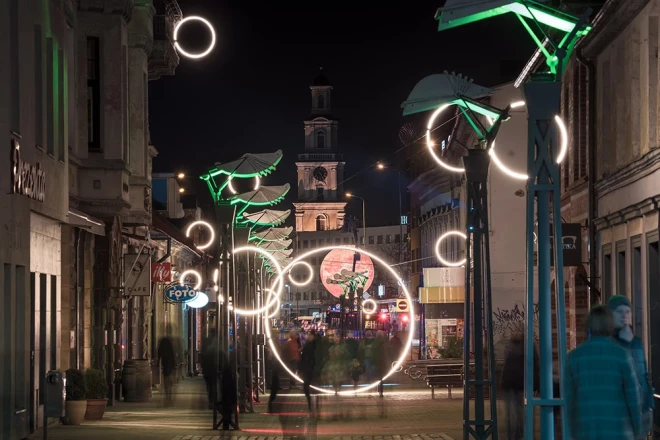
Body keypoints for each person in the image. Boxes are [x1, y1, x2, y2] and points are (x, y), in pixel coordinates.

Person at [564, 305, 642, 440]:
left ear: (588, 325)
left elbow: (570, 399)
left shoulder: (574, 357)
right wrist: (638, 429)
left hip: (586, 430)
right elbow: (633, 396)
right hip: (619, 431)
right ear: (610, 325)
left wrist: (572, 430)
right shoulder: (622, 355)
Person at [608, 295, 655, 439]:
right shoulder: (607, 343)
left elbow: (644, 373)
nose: (624, 316)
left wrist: (649, 403)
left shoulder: (637, 343)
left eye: (627, 312)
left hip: (642, 410)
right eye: (619, 312)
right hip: (619, 413)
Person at [500, 332, 539, 440]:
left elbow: (507, 369)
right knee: (523, 413)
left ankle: (515, 435)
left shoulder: (512, 349)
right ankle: (523, 434)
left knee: (512, 415)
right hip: (522, 386)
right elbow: (535, 367)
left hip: (511, 385)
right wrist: (536, 385)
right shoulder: (529, 349)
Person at [157, 325, 176, 406]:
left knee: (166, 380)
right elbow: (172, 353)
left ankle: (167, 395)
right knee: (169, 380)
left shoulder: (162, 341)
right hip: (170, 363)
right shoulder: (170, 341)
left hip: (165, 363)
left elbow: (159, 352)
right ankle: (169, 396)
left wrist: (158, 361)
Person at [299, 331, 317, 413]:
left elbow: (308, 357)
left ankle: (312, 406)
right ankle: (311, 405)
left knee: (308, 387)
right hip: (308, 369)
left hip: (310, 369)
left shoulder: (313, 345)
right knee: (307, 387)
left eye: (309, 335)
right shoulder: (308, 344)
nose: (307, 336)